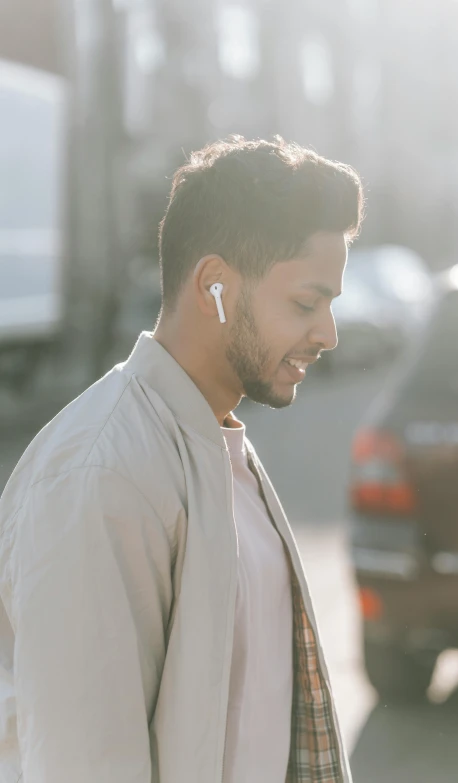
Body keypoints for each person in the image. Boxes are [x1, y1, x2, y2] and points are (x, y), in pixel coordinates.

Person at [0, 136, 363, 783]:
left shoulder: (217, 446)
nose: (327, 334)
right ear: (215, 286)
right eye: (306, 303)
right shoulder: (101, 474)